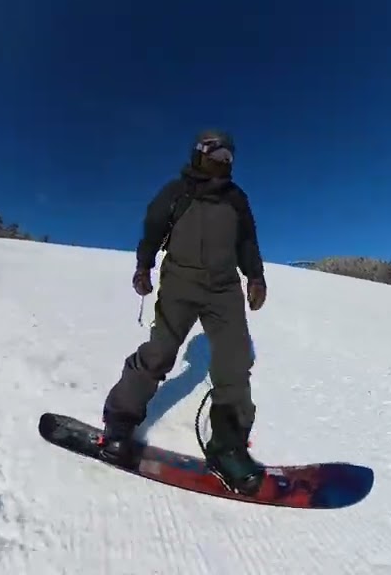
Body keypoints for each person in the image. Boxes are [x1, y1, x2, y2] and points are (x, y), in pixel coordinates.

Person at [99, 129, 269, 496]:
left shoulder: (236, 199)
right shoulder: (177, 192)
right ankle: (120, 422)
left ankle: (228, 446)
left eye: (230, 156)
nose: (225, 161)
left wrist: (255, 277)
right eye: (217, 153)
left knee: (235, 362)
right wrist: (144, 266)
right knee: (160, 350)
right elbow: (153, 230)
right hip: (180, 283)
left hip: (224, 289)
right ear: (199, 153)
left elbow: (247, 242)